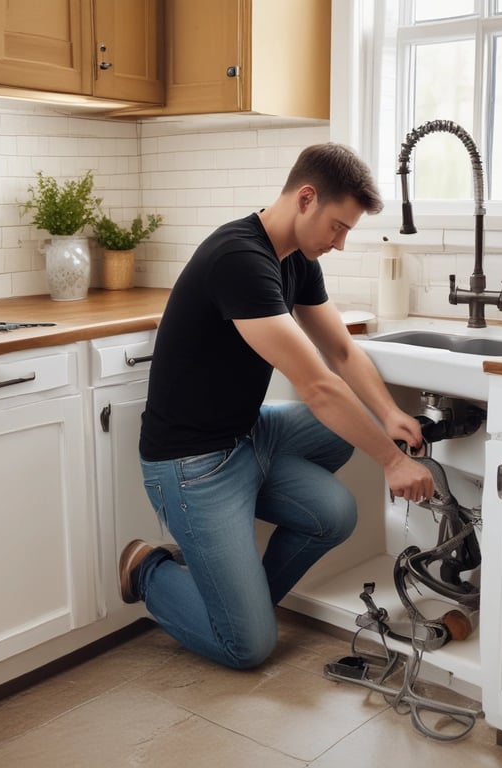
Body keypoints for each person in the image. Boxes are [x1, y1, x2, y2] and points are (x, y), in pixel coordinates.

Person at [122, 142, 434, 670]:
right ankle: (151, 570)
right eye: (337, 227)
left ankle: (237, 603)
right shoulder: (238, 259)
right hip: (191, 464)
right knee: (247, 647)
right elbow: (317, 386)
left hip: (248, 434)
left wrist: (388, 414)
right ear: (306, 198)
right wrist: (392, 459)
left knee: (335, 509)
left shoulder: (296, 258)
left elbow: (340, 351)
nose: (339, 244)